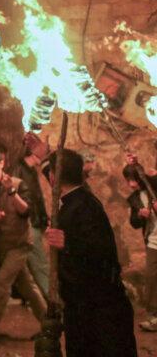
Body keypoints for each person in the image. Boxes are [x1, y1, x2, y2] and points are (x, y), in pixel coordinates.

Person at [44, 149, 137, 356]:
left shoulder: (83, 207)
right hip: (86, 307)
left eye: (50, 171)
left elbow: (100, 253)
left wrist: (67, 243)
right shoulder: (78, 200)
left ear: (53, 176)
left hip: (98, 313)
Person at [0, 146, 47, 344]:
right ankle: (50, 324)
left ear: (2, 163)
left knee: (2, 282)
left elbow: (26, 211)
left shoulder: (17, 183)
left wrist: (12, 192)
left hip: (20, 243)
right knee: (27, 286)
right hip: (1, 245)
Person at [12, 139, 51, 297]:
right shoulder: (18, 170)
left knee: (36, 263)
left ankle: (43, 297)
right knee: (39, 263)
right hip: (27, 223)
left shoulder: (31, 171)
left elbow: (37, 198)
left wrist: (44, 219)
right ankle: (50, 298)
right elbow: (17, 199)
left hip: (34, 221)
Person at [124, 155, 157, 331]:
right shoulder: (134, 199)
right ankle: (155, 316)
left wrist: (137, 164)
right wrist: (139, 215)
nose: (131, 184)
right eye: (128, 180)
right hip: (153, 241)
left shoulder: (154, 187)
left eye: (134, 180)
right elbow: (134, 223)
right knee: (152, 278)